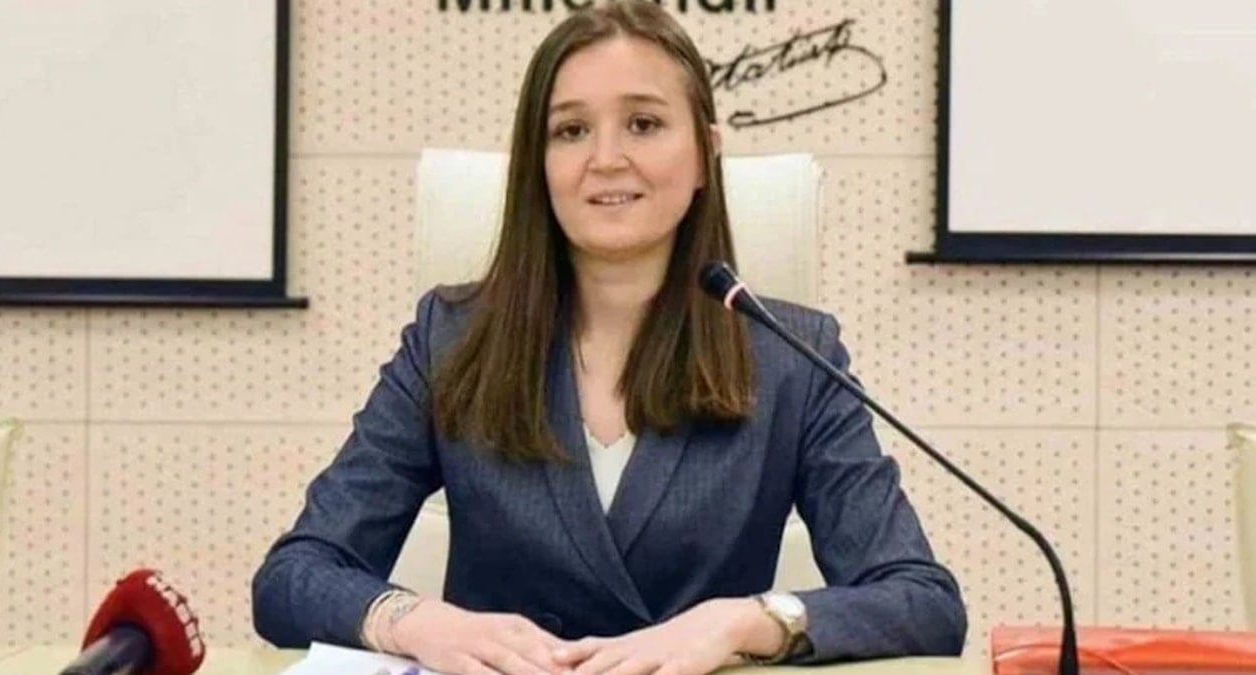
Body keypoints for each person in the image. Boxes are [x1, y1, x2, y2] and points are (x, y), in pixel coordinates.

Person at [251, 1, 966, 673]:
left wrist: (746, 621)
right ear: (538, 164)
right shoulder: (450, 338)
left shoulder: (790, 356)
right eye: (570, 131)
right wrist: (414, 620)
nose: (606, 157)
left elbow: (923, 602)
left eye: (644, 124)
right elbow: (292, 576)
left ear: (705, 153)